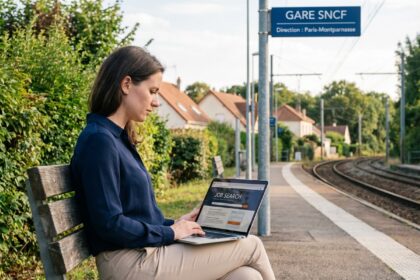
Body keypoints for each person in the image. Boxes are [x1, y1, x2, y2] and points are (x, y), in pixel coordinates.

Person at [70, 45, 275, 280]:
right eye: (153, 91)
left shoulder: (117, 138)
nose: (157, 102)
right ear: (126, 85)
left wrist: (176, 223)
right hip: (128, 264)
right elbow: (109, 223)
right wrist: (170, 232)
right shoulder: (100, 141)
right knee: (252, 245)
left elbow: (133, 215)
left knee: (246, 277)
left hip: (143, 254)